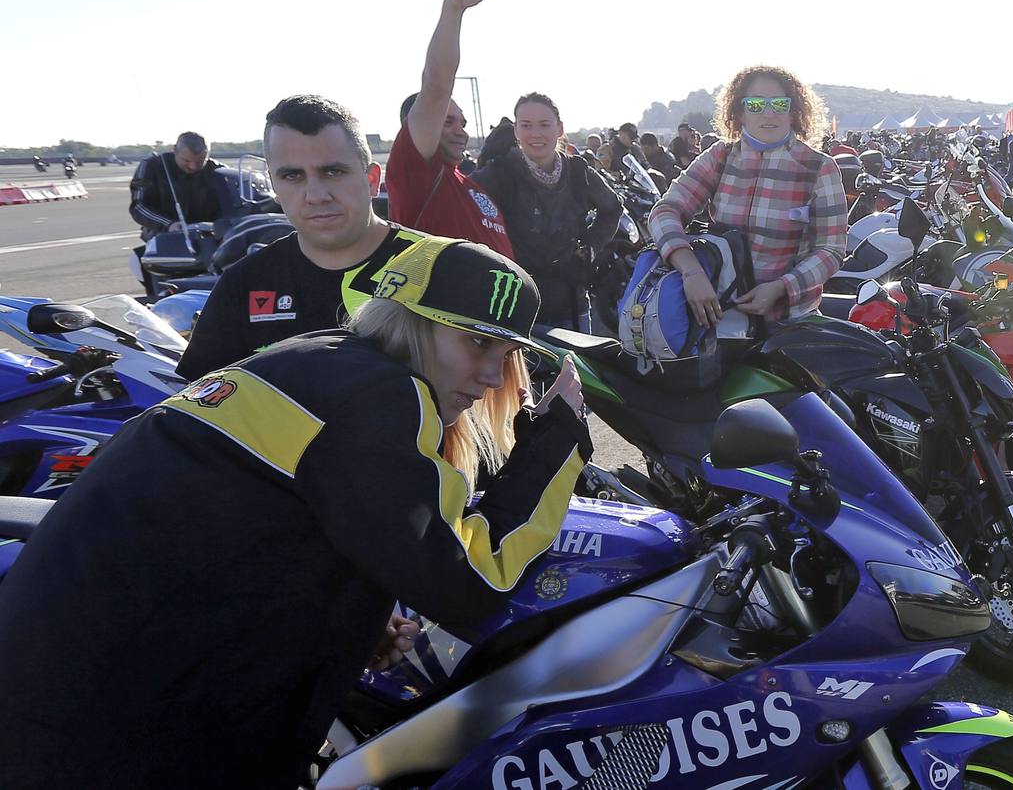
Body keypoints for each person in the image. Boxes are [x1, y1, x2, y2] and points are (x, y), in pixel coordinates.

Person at [0, 235, 591, 790]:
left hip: (59, 692)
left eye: (508, 352)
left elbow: (248, 538)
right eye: (476, 342)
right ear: (412, 323)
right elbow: (471, 583)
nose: (493, 377)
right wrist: (556, 446)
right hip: (111, 729)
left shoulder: (314, 360)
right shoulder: (385, 395)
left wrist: (344, 622)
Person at [177, 95, 428, 380]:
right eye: (293, 176)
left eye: (333, 172)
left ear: (371, 180)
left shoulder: (440, 267)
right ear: (274, 184)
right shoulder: (243, 285)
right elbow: (201, 406)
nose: (316, 196)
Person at [648, 65, 847, 328]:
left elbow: (831, 250)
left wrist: (781, 288)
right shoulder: (720, 156)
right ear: (739, 112)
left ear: (794, 111)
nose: (768, 113)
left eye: (779, 104)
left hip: (789, 321)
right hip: (719, 316)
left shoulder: (819, 167)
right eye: (755, 105)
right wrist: (690, 270)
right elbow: (665, 211)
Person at [385, 0, 513, 258]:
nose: (461, 131)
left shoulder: (468, 184)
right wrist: (453, 10)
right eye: (447, 121)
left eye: (463, 123)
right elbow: (437, 86)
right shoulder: (415, 174)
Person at [469, 92, 623, 331]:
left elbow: (612, 209)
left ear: (559, 128)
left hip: (572, 301)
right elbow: (463, 203)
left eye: (544, 124)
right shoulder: (498, 174)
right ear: (516, 131)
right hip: (516, 304)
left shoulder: (577, 171)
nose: (536, 133)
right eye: (526, 125)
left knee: (577, 366)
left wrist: (591, 246)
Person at [128, 131, 229, 239]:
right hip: (163, 233)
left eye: (200, 162)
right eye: (186, 161)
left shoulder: (219, 171)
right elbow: (138, 206)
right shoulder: (150, 167)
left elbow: (233, 205)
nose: (193, 167)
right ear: (175, 150)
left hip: (210, 234)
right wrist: (168, 224)